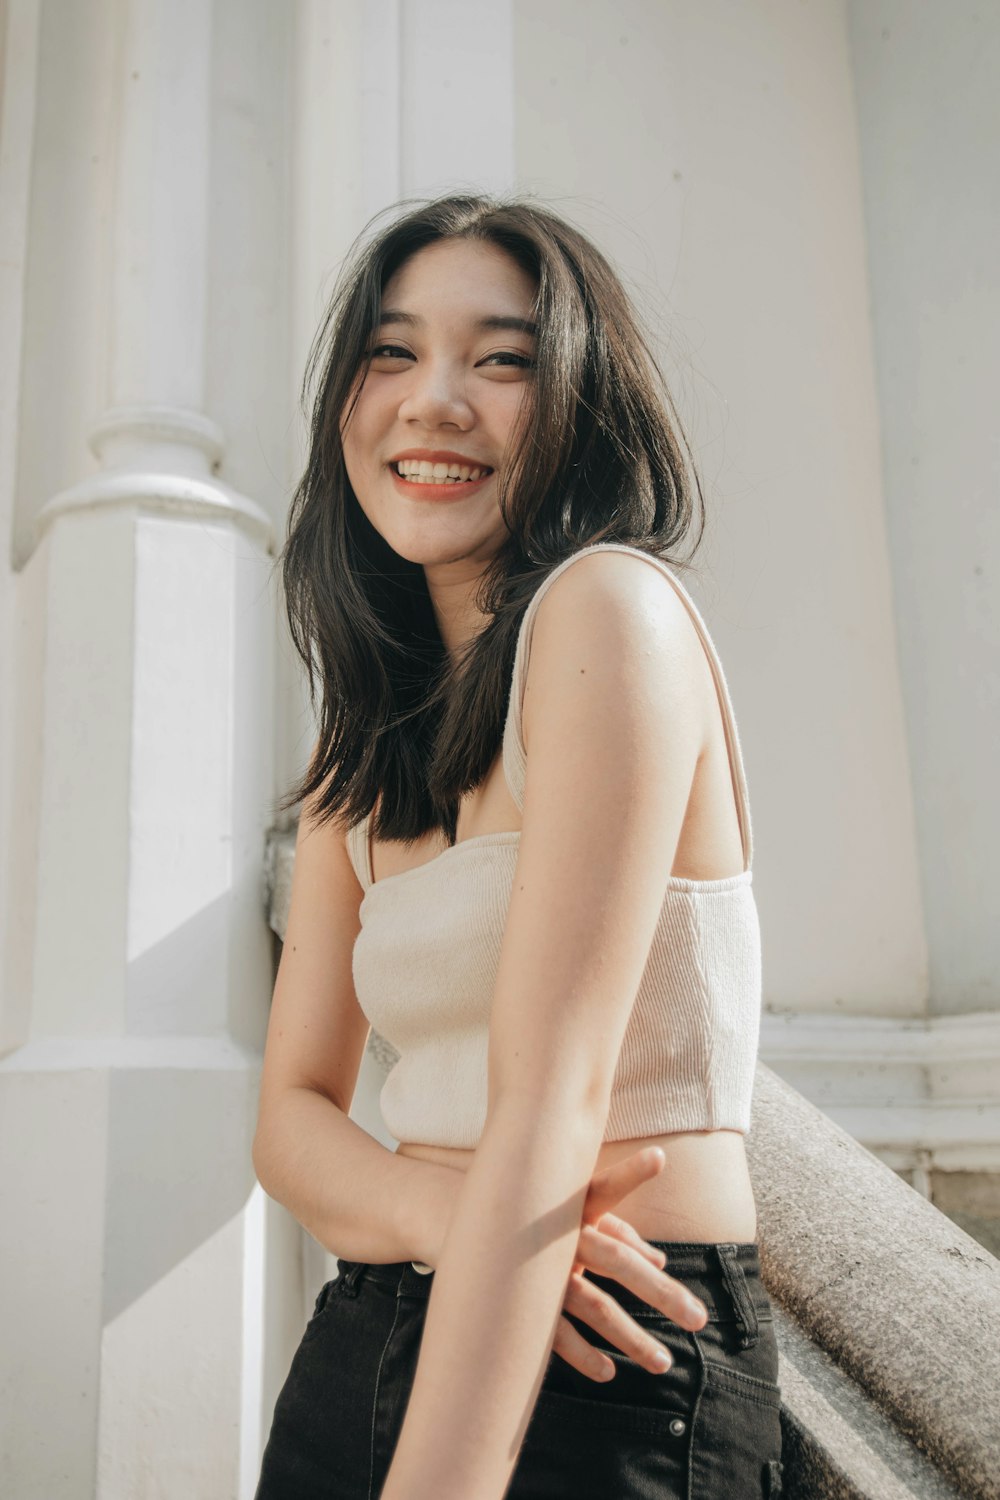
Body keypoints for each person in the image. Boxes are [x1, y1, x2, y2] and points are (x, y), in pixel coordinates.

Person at [252, 193, 783, 1500]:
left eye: (501, 359)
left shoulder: (611, 613)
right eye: (391, 353)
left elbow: (553, 1097)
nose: (434, 400)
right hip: (376, 1322)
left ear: (585, 408)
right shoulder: (366, 749)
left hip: (613, 1356)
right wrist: (445, 1220)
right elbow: (290, 1120)